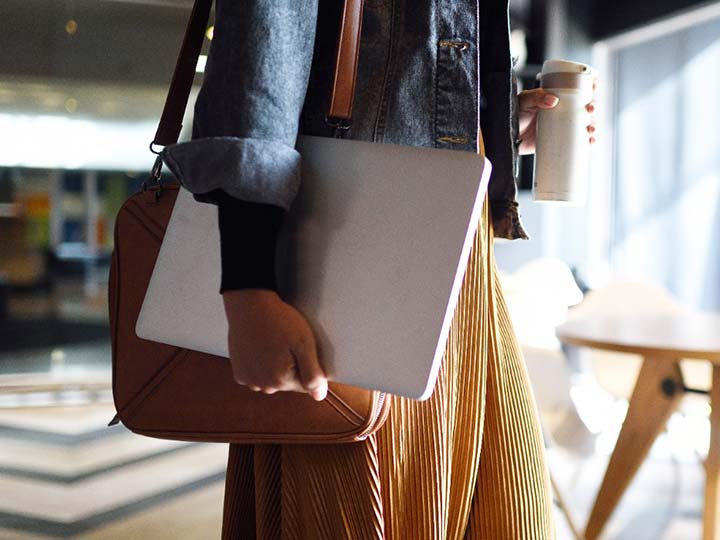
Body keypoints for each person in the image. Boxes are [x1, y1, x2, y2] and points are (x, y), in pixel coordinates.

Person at [160, 0, 596, 537]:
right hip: (352, 257)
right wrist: (249, 286)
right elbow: (261, 59)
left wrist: (498, 121)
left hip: (458, 262)